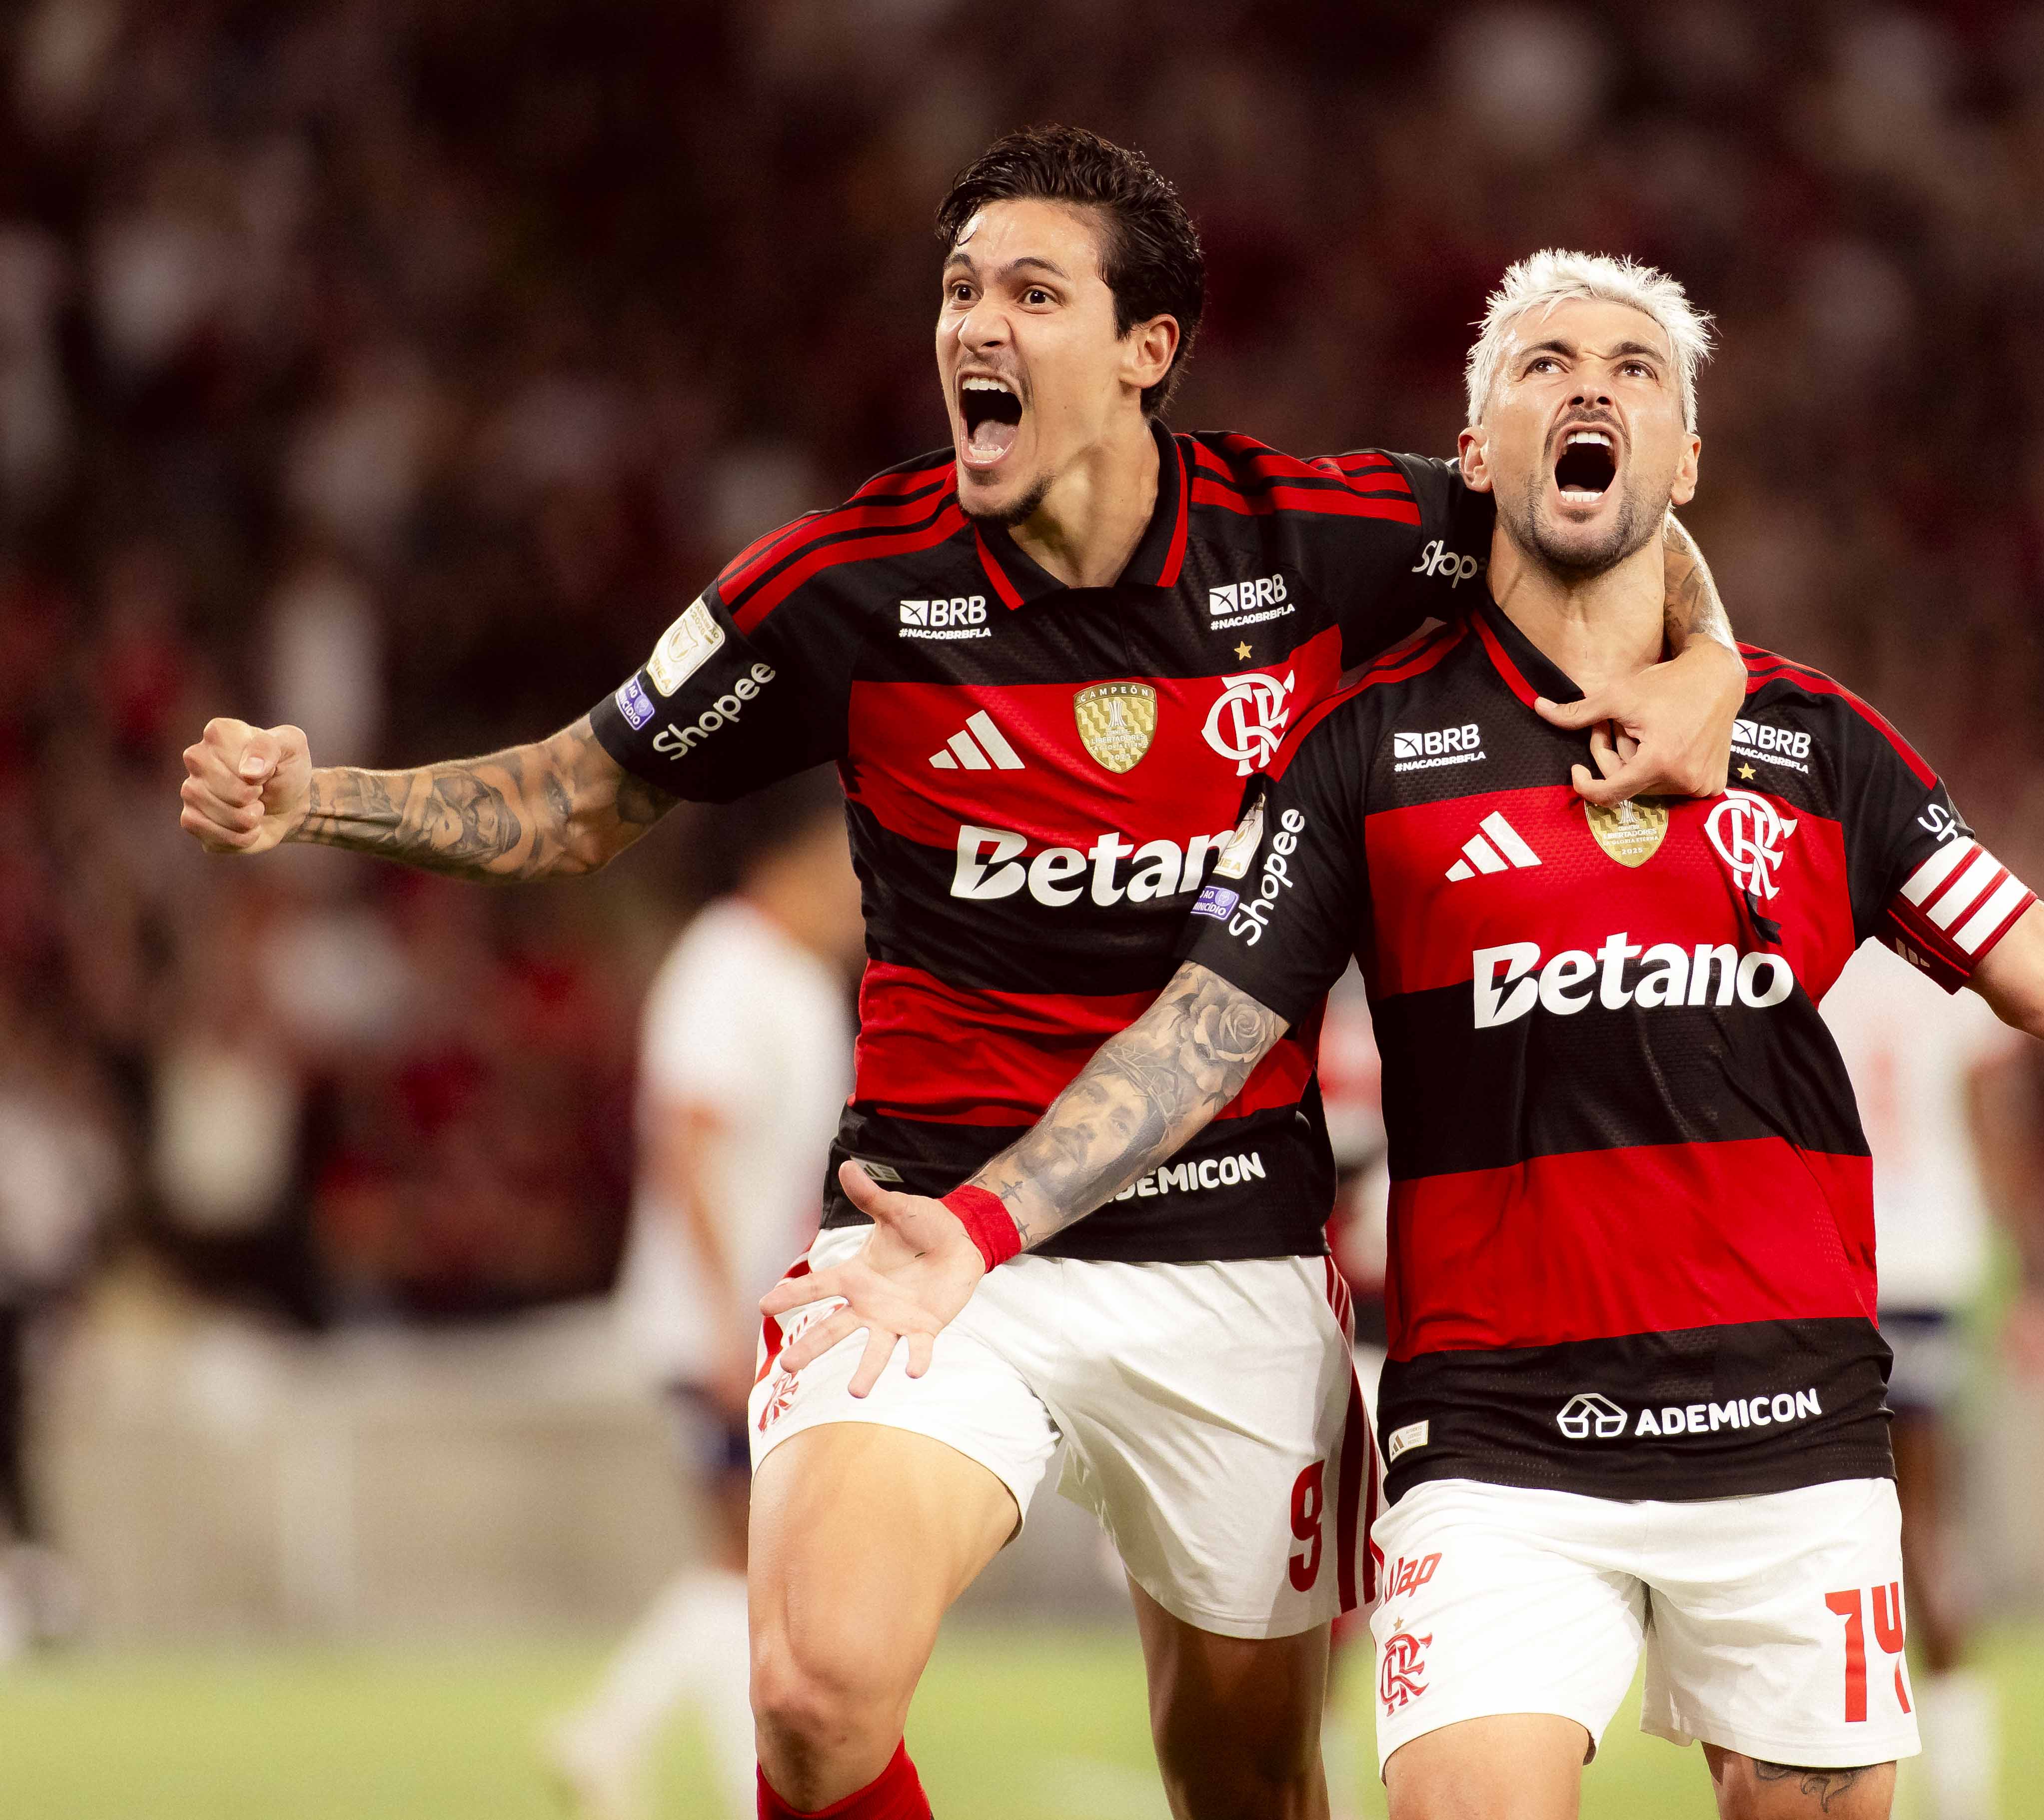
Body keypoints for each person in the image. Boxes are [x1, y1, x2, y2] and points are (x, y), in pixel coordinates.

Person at [764, 248, 2044, 1820]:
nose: (1588, 388)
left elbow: (2039, 958)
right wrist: (984, 1225)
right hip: (1495, 1444)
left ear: (1683, 459)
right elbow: (1203, 1031)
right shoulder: (1363, 754)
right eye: (1542, 363)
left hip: (1789, 1428)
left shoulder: (1816, 745)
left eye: (1635, 370)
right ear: (1477, 454)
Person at [178, 127, 1746, 1820]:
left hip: (1227, 1247)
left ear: (1146, 348)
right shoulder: (839, 586)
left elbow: (1603, 519)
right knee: (811, 1696)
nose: (977, 324)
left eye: (1034, 293)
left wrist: (1712, 666)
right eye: (959, 290)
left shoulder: (1316, 535)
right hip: (932, 1240)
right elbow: (572, 798)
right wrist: (318, 801)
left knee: (1244, 1783)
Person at [550, 790, 861, 1820]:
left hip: (762, 1316)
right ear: (789, 859)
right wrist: (732, 1318)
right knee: (759, 1563)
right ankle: (696, 1765)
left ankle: (614, 1738)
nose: (857, 893)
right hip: (714, 1321)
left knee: (752, 1562)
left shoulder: (802, 982)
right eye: (843, 865)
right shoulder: (726, 965)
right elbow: (686, 1144)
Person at [1819, 940, 2044, 1820]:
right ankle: (1960, 1784)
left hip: (1831, 1261)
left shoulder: (1810, 955)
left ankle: (1840, 1757)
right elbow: (1998, 1123)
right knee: (1926, 1517)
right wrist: (2031, 1279)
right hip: (1931, 1261)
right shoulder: (1947, 966)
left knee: (1825, 1524)